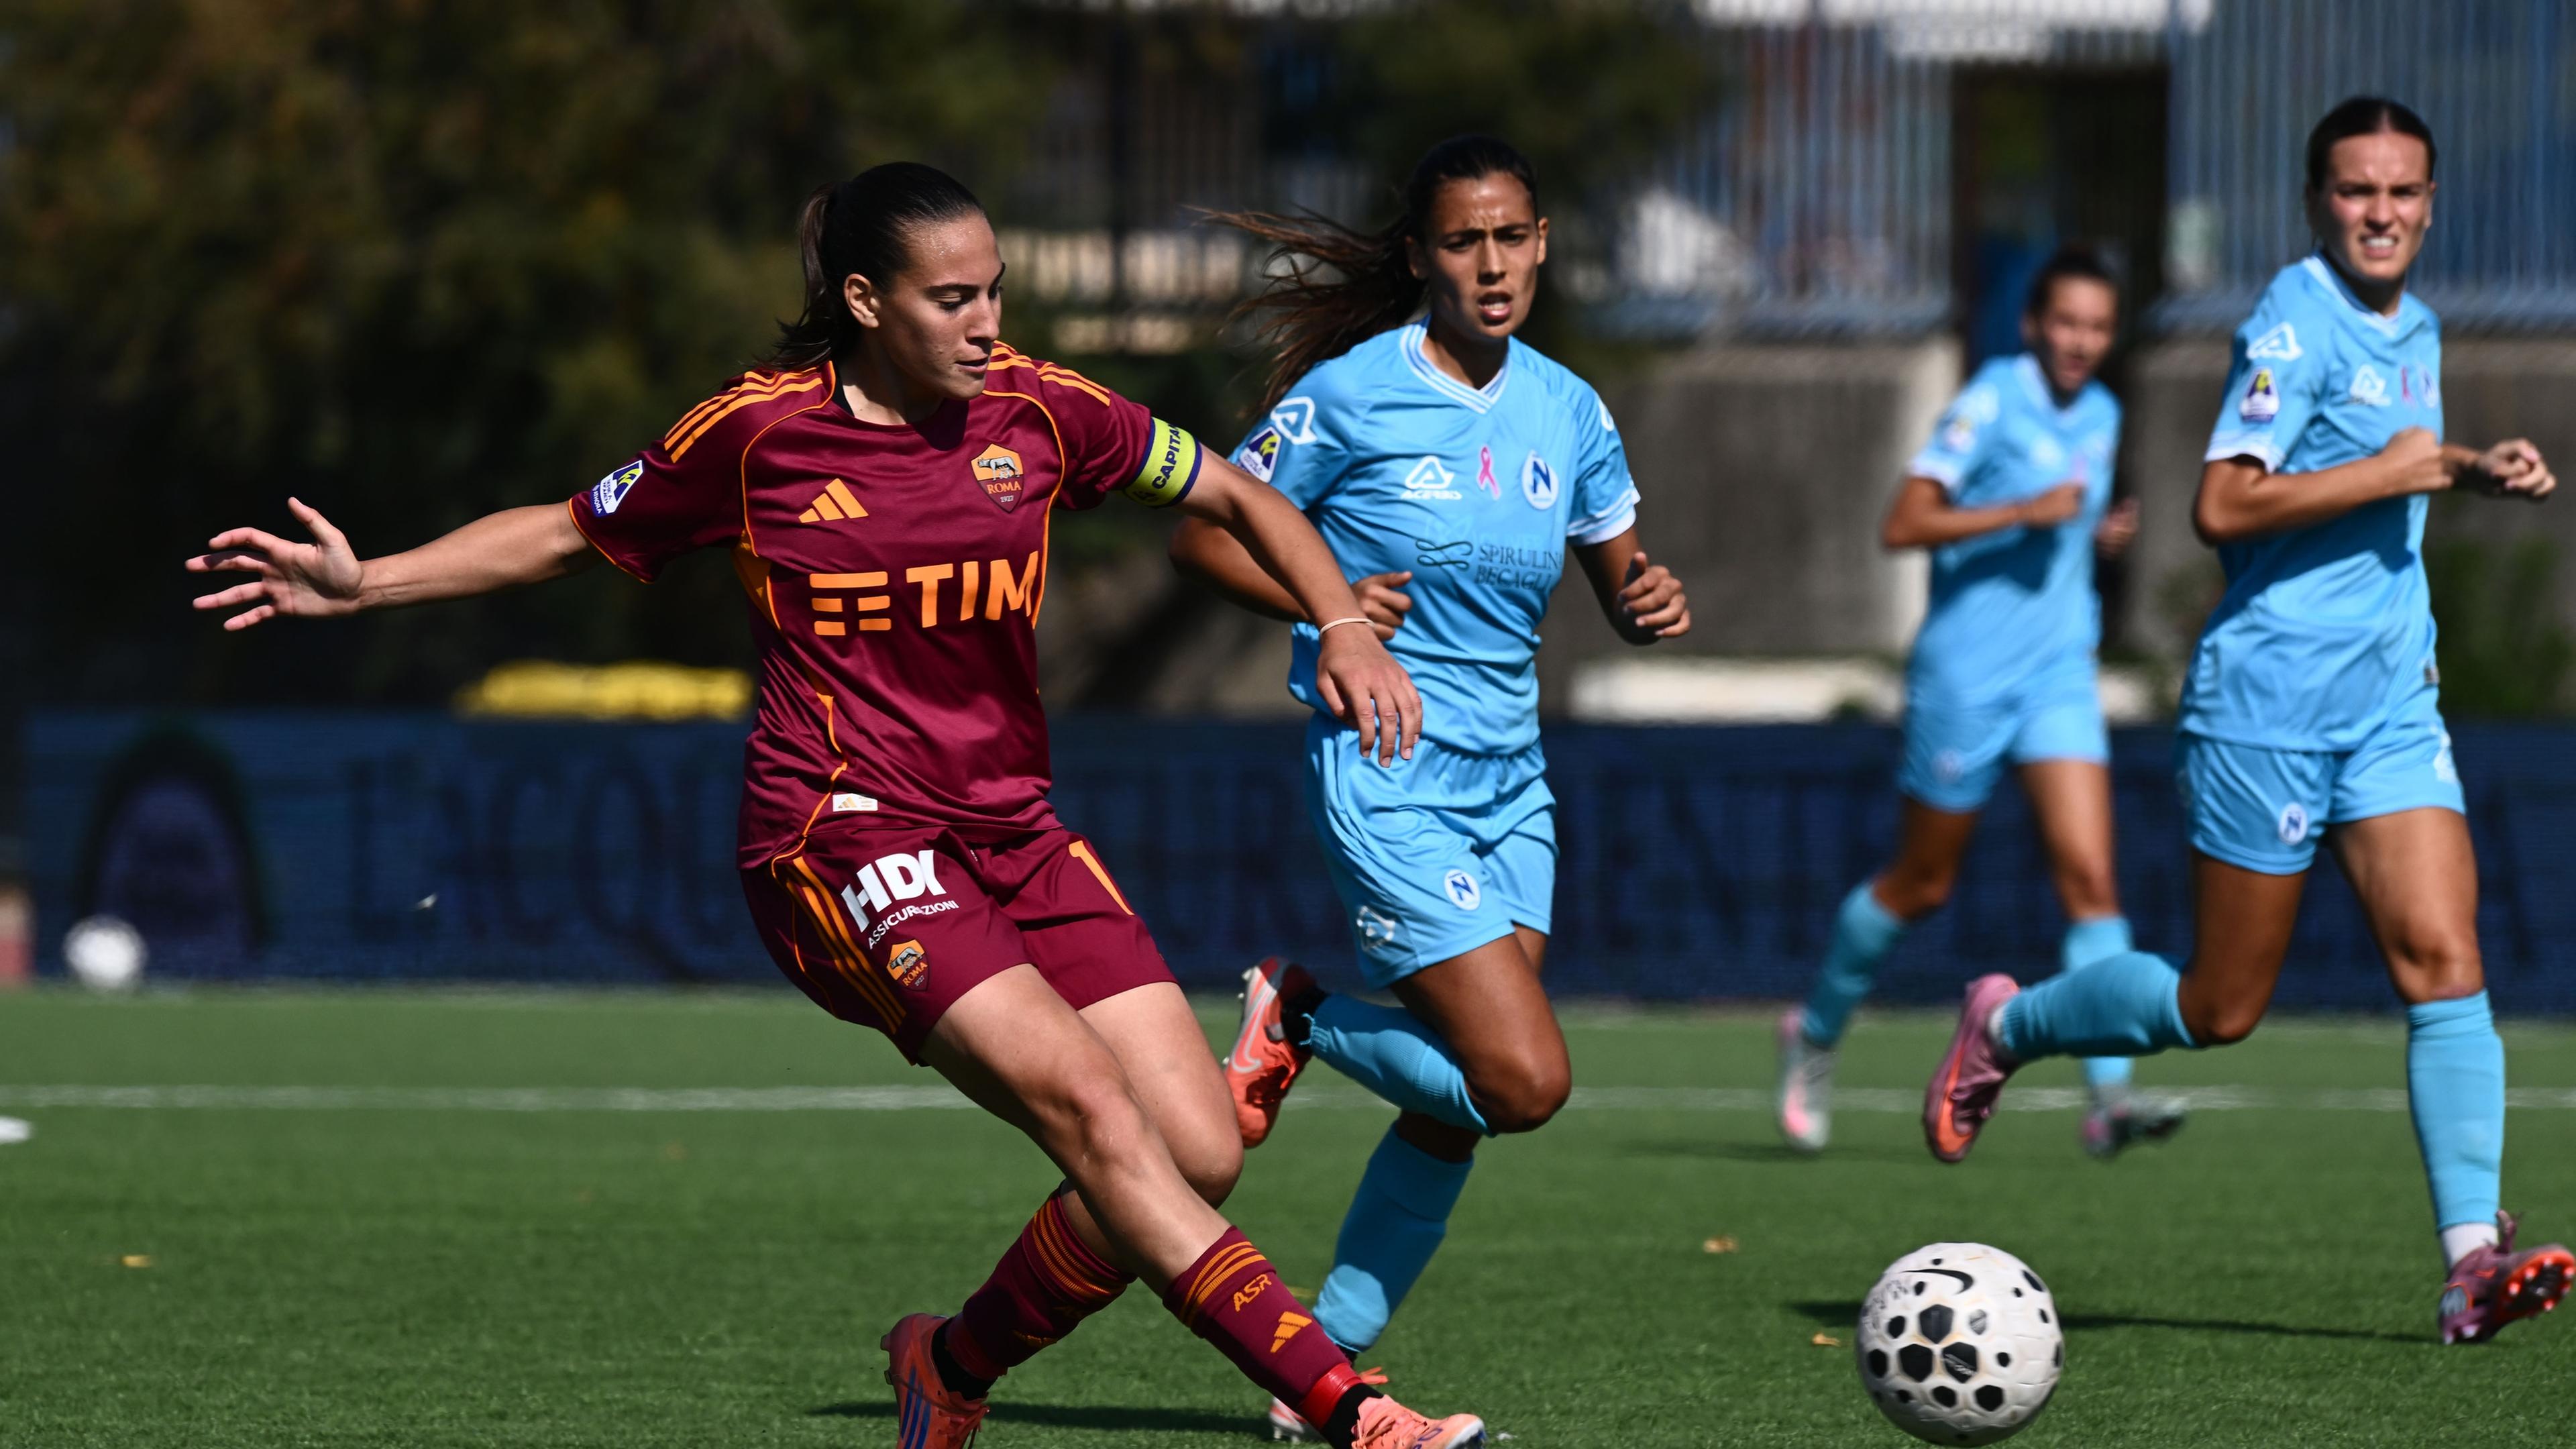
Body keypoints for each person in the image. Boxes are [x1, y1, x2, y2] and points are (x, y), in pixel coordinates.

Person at [187, 162, 1489, 1448]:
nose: (987, 324)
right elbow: (564, 533)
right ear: (866, 300)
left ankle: (949, 1365)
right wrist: (368, 584)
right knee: (1099, 1118)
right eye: (953, 299)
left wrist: (1341, 625)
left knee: (1197, 1149)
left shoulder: (1043, 410)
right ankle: (1352, 1410)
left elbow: (1234, 492)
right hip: (843, 834)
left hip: (1016, 829)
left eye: (996, 292)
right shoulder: (757, 434)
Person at [1919, 98, 2571, 1343]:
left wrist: (2468, 472)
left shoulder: (2417, 326)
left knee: (2447, 961)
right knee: (2220, 1008)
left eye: (2402, 193)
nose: (2380, 213)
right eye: (2355, 192)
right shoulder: (2290, 320)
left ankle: (2470, 1260)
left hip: (2387, 707)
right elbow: (2224, 505)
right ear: (2317, 201)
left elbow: (2394, 487)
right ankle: (2005, 1024)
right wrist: (2408, 469)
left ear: (2431, 206)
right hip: (2265, 709)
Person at [1171, 136, 1689, 1437]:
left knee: (1459, 1110)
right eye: (1465, 242)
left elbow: (1618, 573)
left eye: (1513, 236)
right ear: (1422, 259)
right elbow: (1200, 536)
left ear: (1546, 242)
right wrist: (1327, 604)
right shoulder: (1352, 396)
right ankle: (1299, 1016)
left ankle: (1322, 1375)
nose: (1494, 264)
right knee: (1522, 1084)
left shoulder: (1569, 409)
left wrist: (1645, 601)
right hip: (1388, 762)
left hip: (1514, 787)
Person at [1776, 249, 2186, 1159]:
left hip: (2059, 677)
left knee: (2091, 882)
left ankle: (2108, 1099)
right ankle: (1814, 1033)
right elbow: (1904, 522)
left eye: (2097, 326)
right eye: (2066, 322)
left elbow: (2064, 530)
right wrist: (2023, 515)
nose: (2080, 341)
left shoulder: (2106, 414)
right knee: (1920, 883)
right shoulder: (1992, 400)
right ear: (2034, 325)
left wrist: (2098, 536)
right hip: (1966, 676)